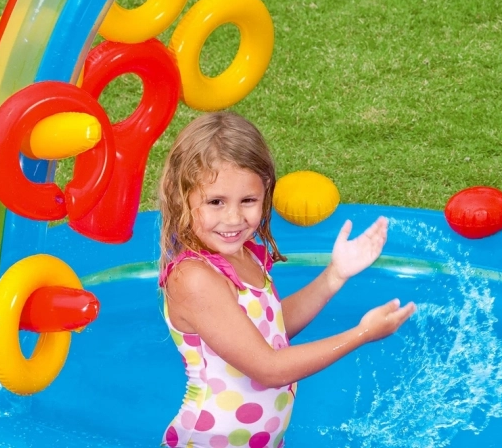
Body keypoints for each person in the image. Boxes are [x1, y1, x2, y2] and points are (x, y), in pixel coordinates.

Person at [158, 111, 416, 448]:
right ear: (182, 198)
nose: (234, 217)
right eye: (216, 202)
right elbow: (269, 368)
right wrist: (362, 334)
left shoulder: (243, 254)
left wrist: (334, 276)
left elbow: (272, 328)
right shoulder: (194, 278)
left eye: (248, 201)